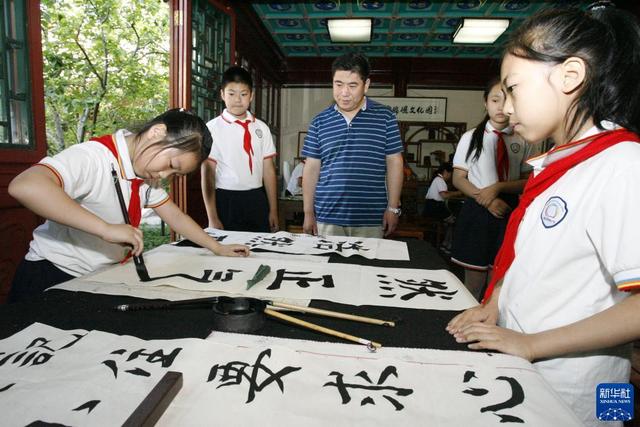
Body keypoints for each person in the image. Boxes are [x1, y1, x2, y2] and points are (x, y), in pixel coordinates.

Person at [446, 5, 640, 426]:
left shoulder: (622, 163)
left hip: (581, 388)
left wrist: (531, 343)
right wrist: (496, 303)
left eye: (513, 88)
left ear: (570, 77)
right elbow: (535, 258)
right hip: (530, 371)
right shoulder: (559, 162)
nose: (506, 106)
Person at [8, 109, 250, 303]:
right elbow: (26, 186)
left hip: (97, 277)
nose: (164, 175)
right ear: (157, 132)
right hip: (52, 276)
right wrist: (105, 228)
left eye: (174, 173)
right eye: (171, 163)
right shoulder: (94, 157)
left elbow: (174, 215)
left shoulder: (143, 170)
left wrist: (216, 248)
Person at [301, 52, 404, 238]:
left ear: (366, 85)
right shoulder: (319, 121)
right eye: (338, 84)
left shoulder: (385, 117)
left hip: (371, 218)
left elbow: (394, 163)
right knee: (329, 266)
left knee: (367, 267)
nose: (344, 92)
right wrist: (308, 212)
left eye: (352, 85)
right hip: (327, 216)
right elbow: (311, 169)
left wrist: (393, 208)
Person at [449, 76, 531, 299]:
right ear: (485, 102)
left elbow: (527, 180)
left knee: (500, 279)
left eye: (506, 100)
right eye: (495, 100)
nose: (501, 107)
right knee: (473, 280)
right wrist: (486, 197)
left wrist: (499, 187)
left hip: (508, 208)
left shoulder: (522, 139)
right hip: (477, 208)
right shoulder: (471, 138)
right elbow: (458, 179)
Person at [201, 66, 278, 232]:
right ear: (222, 94)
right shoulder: (212, 128)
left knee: (259, 252)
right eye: (231, 94)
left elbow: (269, 171)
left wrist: (273, 210)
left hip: (257, 198)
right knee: (228, 254)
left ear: (251, 96)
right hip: (226, 200)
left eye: (243, 94)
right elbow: (207, 173)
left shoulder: (261, 127)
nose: (237, 100)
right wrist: (212, 217)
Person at [423, 162, 462, 253]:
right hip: (435, 208)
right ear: (445, 172)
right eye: (450, 174)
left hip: (432, 207)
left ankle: (446, 244)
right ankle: (448, 245)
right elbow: (444, 195)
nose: (450, 177)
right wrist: (458, 193)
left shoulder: (437, 179)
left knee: (451, 222)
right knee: (454, 222)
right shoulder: (439, 180)